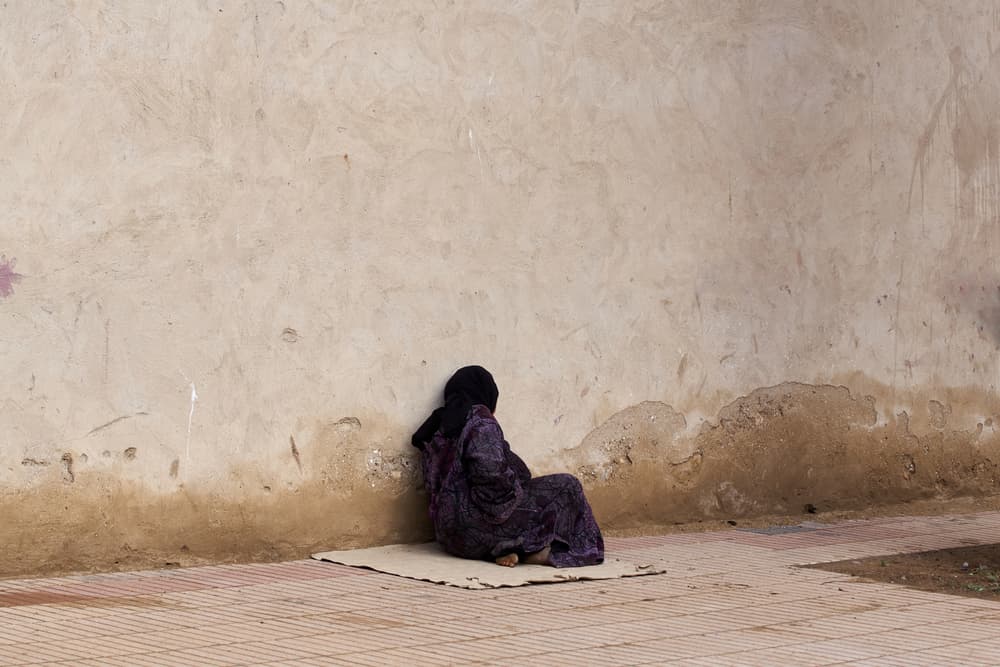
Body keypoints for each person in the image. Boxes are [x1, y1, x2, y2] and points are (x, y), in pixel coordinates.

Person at [411, 365, 604, 567]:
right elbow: (491, 476)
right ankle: (545, 549)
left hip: (451, 539)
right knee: (568, 486)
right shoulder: (480, 422)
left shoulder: (436, 426)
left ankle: (508, 548)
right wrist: (513, 494)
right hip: (482, 529)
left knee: (528, 499)